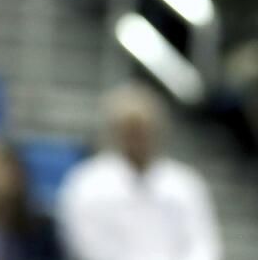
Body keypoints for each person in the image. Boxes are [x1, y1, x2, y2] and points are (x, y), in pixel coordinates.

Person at [55, 81, 222, 260]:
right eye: (131, 131)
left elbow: (204, 245)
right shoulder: (86, 184)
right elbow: (86, 246)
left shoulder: (186, 183)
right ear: (114, 131)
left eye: (144, 129)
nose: (139, 138)